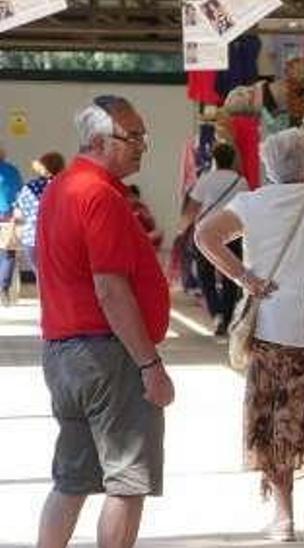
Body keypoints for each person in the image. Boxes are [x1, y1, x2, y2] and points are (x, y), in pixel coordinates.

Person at [194, 128, 304, 541]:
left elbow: (204, 235)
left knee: (276, 419)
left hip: (274, 329)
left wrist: (245, 277)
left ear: (268, 165)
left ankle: (283, 518)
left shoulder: (252, 203)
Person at [36, 95, 174, 548]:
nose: (141, 146)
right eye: (131, 137)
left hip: (64, 352)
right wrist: (150, 365)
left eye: (142, 136)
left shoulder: (61, 188)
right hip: (107, 355)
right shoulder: (100, 196)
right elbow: (111, 290)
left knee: (72, 479)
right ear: (97, 140)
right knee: (127, 483)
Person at [182, 143, 248, 335]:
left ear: (215, 160)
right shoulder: (240, 181)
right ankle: (227, 318)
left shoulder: (206, 179)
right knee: (232, 273)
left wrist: (182, 228)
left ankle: (216, 313)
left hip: (206, 233)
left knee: (205, 275)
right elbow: (246, 209)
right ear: (233, 159)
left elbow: (193, 207)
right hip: (233, 233)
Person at [13, 152, 65, 283]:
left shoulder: (29, 187)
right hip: (59, 239)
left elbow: (18, 214)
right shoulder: (66, 186)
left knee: (42, 280)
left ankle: (45, 302)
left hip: (32, 238)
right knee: (60, 279)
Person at [0, 143, 23, 303]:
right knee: (9, 252)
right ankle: (3, 290)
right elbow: (19, 193)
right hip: (7, 214)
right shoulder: (11, 171)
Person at [125, 185, 163, 250]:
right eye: (128, 197)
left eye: (133, 196)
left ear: (137, 197)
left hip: (144, 236)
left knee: (159, 233)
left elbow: (152, 225)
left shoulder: (142, 207)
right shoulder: (124, 208)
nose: (131, 199)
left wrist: (147, 217)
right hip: (131, 237)